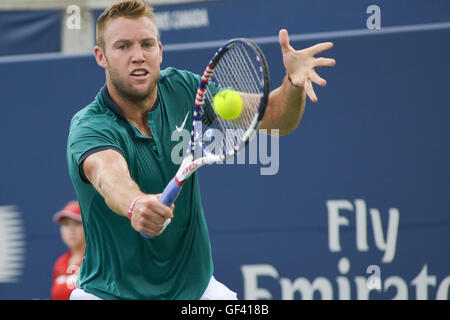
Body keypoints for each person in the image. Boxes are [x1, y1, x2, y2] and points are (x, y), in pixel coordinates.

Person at [67, 0, 335, 300]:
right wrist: (135, 204)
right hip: (109, 294)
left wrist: (293, 84)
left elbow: (274, 117)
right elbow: (107, 174)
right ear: (101, 56)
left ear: (160, 49)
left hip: (195, 291)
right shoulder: (90, 127)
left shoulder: (186, 90)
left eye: (146, 44)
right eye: (123, 47)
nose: (138, 56)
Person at [51, 200, 85, 300]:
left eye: (77, 223)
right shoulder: (60, 263)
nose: (71, 229)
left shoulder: (97, 260)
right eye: (66, 224)